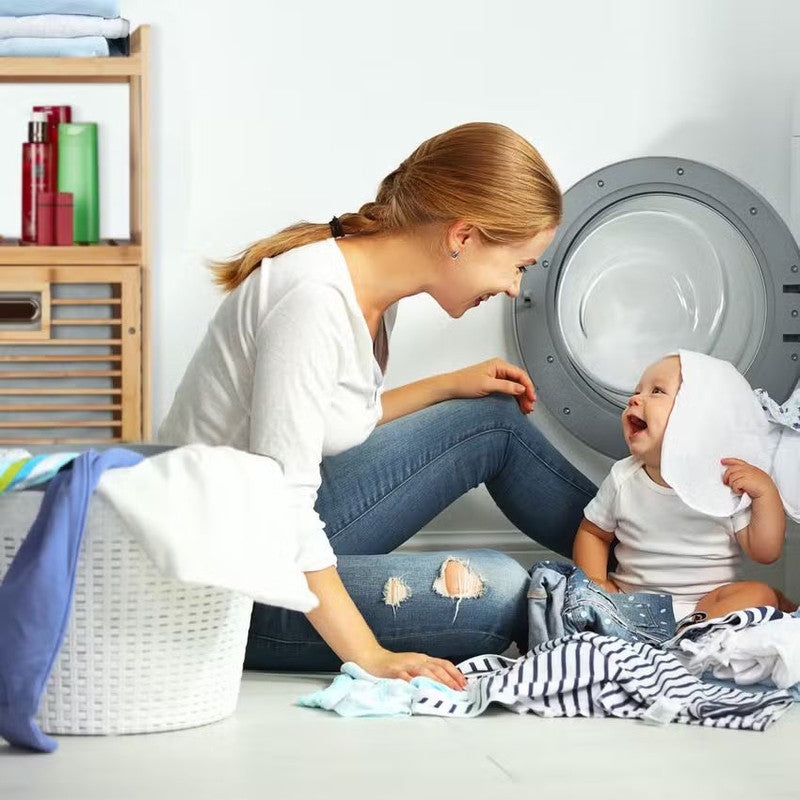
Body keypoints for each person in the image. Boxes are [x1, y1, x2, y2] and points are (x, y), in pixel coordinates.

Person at [157, 122, 598, 689]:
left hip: (266, 533)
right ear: (462, 236)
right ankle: (618, 602)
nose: (516, 287)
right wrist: (369, 656)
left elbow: (324, 422)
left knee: (490, 418)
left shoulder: (370, 290)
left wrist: (447, 385)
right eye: (519, 265)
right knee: (498, 588)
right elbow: (284, 504)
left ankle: (647, 562)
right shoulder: (313, 301)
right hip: (232, 584)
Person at [574, 354, 796, 625]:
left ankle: (692, 630)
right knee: (573, 593)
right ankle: (666, 633)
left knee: (759, 594)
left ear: (697, 415)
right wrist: (596, 583)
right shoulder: (624, 477)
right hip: (634, 601)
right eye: (636, 392)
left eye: (656, 391)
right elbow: (593, 533)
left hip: (709, 604)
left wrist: (765, 493)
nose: (635, 399)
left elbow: (765, 552)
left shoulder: (723, 481)